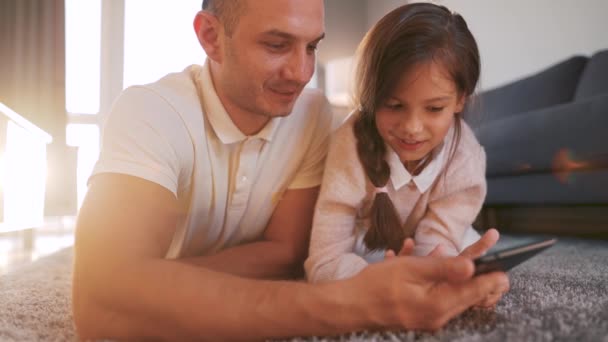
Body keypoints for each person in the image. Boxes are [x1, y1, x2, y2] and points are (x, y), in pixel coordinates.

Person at [72, 0, 509, 341]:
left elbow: (287, 252)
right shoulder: (149, 112)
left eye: (312, 46)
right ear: (210, 36)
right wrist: (356, 304)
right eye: (277, 45)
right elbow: (99, 301)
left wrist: (160, 280)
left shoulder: (313, 113)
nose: (302, 74)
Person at [305, 2, 498, 291]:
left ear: (460, 99)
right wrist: (385, 282)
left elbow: (437, 243)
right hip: (367, 255)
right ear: (371, 98)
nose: (412, 127)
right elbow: (324, 259)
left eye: (434, 108)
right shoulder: (350, 144)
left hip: (436, 246)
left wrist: (431, 275)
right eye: (394, 105)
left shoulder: (466, 159)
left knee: (472, 266)